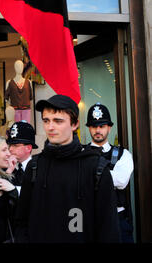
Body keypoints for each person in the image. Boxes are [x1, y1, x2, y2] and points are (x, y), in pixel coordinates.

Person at [15, 94, 121, 243]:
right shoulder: (34, 166)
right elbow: (22, 222)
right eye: (46, 121)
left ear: (74, 124)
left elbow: (109, 228)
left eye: (58, 121)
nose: (50, 127)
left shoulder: (96, 167)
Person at [85, 103, 134, 243]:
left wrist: (89, 174)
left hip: (116, 218)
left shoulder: (123, 154)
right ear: (89, 128)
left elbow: (121, 181)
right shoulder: (81, 153)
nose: (97, 130)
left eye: (102, 126)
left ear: (109, 127)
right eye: (94, 126)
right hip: (88, 217)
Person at [6, 121, 38, 193]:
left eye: (15, 145)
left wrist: (14, 189)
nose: (10, 149)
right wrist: (9, 171)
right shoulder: (7, 167)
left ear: (28, 148)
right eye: (10, 145)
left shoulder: (39, 168)